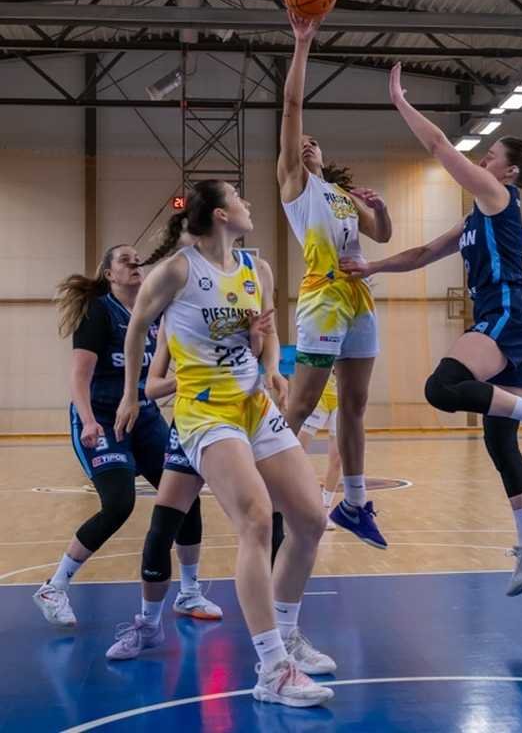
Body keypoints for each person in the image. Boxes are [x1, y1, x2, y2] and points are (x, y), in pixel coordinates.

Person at [341, 63, 522, 597]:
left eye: (491, 155)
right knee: (498, 438)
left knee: (441, 388)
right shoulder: (475, 218)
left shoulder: (497, 196)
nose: (483, 160)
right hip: (510, 321)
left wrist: (401, 102)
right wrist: (373, 267)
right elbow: (424, 252)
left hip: (507, 311)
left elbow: (439, 145)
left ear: (508, 172)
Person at [113, 180, 335, 708]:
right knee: (256, 519)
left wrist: (271, 366)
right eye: (238, 196)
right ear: (218, 213)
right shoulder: (178, 271)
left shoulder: (258, 269)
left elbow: (269, 330)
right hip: (205, 410)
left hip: (254, 404)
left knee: (309, 519)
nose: (248, 203)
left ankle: (288, 636)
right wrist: (129, 395)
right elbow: (137, 327)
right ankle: (272, 669)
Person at [33, 245, 210, 627]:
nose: (135, 262)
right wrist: (88, 421)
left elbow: (162, 376)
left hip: (145, 418)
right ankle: (54, 587)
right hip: (101, 417)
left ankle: (190, 592)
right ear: (109, 273)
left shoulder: (155, 313)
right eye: (124, 259)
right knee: (118, 504)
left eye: (137, 258)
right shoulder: (99, 313)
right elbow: (79, 376)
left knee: (187, 496)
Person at [278, 11, 393, 550]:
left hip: (359, 298)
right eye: (298, 143)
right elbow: (292, 106)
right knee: (301, 405)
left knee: (355, 403)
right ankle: (265, 486)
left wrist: (382, 208)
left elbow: (382, 235)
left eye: (313, 143)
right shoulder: (297, 187)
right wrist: (303, 44)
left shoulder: (342, 197)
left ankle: (353, 503)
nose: (306, 144)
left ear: (324, 154)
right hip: (322, 296)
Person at [106, 320, 223, 660]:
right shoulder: (174, 322)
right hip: (189, 424)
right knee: (160, 530)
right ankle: (149, 624)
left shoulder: (242, 309)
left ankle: (282, 634)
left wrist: (270, 363)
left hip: (237, 421)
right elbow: (153, 388)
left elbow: (265, 346)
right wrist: (183, 380)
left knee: (264, 522)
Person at [298, 367, 342, 530]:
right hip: (318, 396)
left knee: (337, 459)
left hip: (342, 399)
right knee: (296, 453)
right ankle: (296, 505)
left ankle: (325, 509)